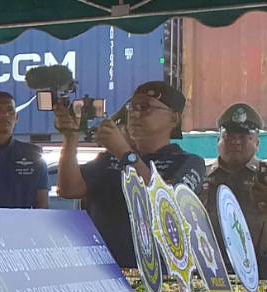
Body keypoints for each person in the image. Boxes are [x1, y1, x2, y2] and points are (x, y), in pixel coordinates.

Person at [54, 80, 205, 268]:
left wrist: (125, 154)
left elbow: (167, 205)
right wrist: (70, 137)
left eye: (145, 108)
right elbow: (68, 189)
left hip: (157, 277)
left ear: (173, 119)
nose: (134, 114)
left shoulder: (188, 162)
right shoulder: (108, 160)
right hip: (102, 271)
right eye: (131, 108)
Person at [201, 103, 267, 279]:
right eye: (228, 136)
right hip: (211, 270)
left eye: (244, 137)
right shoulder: (200, 176)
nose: (235, 142)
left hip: (263, 271)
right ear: (218, 141)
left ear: (257, 143)